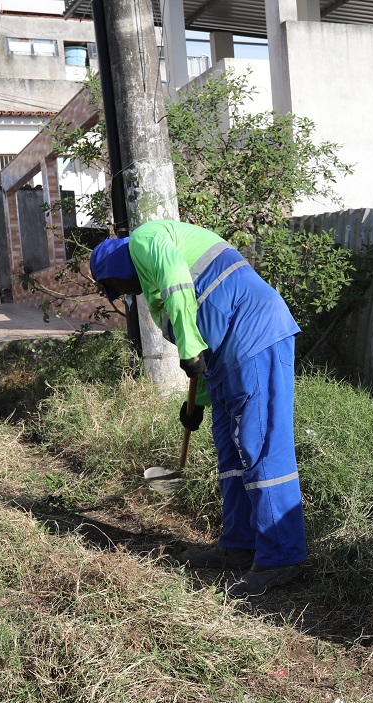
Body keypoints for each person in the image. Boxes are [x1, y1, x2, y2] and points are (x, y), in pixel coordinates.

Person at [89, 220, 307, 597]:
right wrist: (199, 404)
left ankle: (281, 556)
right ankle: (240, 544)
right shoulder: (154, 288)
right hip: (226, 356)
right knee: (230, 450)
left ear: (114, 271)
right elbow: (195, 330)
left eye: (118, 289)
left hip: (254, 334)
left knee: (260, 444)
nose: (127, 295)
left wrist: (187, 348)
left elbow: (180, 285)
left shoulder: (146, 240)